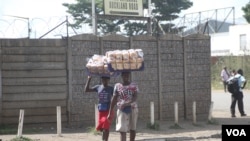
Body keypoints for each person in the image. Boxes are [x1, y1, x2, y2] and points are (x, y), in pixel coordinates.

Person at [107, 72, 139, 141]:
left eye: (127, 75)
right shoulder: (117, 86)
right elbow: (114, 98)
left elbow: (135, 97)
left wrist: (128, 103)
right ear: (122, 76)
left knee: (132, 128)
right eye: (124, 75)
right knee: (122, 129)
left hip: (132, 108)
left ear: (129, 75)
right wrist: (110, 112)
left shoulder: (134, 85)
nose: (126, 76)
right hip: (121, 109)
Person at [84, 75, 114, 141]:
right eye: (103, 79)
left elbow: (115, 97)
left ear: (109, 80)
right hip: (101, 110)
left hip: (108, 110)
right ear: (101, 80)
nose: (105, 81)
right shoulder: (98, 87)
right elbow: (86, 90)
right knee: (102, 128)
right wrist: (89, 79)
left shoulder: (111, 88)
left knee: (106, 127)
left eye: (106, 80)